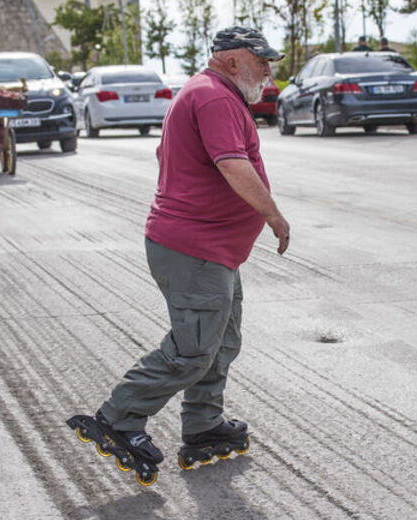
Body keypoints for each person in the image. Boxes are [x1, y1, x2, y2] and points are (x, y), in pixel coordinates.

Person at [65, 26, 291, 486]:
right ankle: (118, 418)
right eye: (261, 60)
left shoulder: (209, 93)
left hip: (212, 249)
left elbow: (168, 152)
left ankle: (204, 426)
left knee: (221, 343)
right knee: (192, 349)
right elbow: (232, 164)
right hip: (195, 249)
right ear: (232, 61)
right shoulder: (214, 97)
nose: (268, 70)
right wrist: (274, 216)